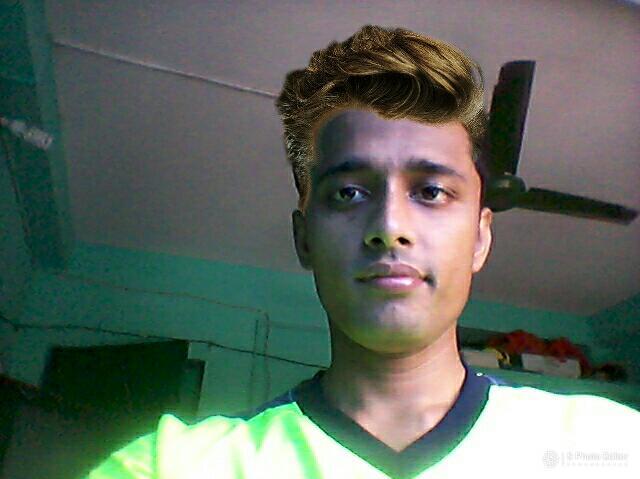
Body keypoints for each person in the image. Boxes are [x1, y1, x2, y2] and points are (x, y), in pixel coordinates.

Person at [86, 24, 639, 479]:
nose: (390, 228)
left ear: (480, 237)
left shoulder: (613, 447)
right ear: (304, 239)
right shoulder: (171, 466)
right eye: (349, 193)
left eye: (431, 192)